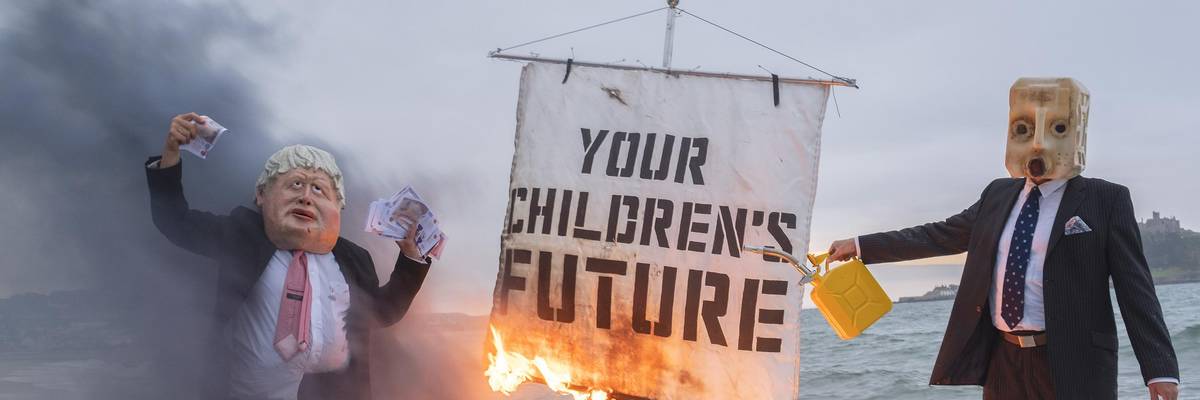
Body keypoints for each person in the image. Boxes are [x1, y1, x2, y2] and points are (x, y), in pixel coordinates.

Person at [826, 78, 1179, 400]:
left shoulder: (1106, 199)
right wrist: (859, 245)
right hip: (1003, 359)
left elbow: (1137, 290)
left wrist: (1159, 370)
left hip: (1074, 362)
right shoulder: (997, 194)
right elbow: (937, 235)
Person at [145, 112, 432, 400]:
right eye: (295, 184)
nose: (306, 197)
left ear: (338, 207)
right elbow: (175, 221)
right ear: (261, 195)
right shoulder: (241, 235)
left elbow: (382, 312)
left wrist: (411, 258)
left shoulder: (355, 259)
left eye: (319, 189)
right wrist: (171, 153)